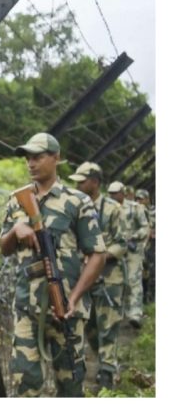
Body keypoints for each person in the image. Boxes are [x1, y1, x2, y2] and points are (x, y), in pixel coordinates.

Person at [0, 133, 106, 397]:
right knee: (25, 384)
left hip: (65, 309)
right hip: (27, 306)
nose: (31, 163)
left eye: (38, 157)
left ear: (56, 158)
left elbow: (97, 254)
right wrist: (16, 230)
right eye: (27, 158)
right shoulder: (16, 201)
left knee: (69, 386)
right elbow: (3, 247)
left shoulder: (77, 201)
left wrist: (75, 297)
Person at [68, 162, 127, 390]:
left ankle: (107, 375)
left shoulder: (113, 209)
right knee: (91, 328)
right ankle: (102, 362)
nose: (78, 184)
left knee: (109, 327)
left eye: (82, 180)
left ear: (94, 182)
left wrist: (99, 257)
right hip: (84, 280)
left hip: (109, 278)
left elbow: (122, 243)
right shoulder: (74, 208)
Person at [108, 181, 149, 329]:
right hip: (114, 250)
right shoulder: (107, 208)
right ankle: (119, 313)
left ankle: (135, 313)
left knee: (133, 279)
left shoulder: (135, 208)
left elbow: (145, 227)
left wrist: (134, 236)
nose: (113, 196)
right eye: (110, 193)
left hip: (132, 249)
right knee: (117, 280)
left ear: (122, 193)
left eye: (115, 193)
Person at [135, 189, 155, 303]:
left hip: (152, 247)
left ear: (147, 199)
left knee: (152, 273)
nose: (138, 201)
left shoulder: (154, 212)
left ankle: (151, 298)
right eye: (137, 199)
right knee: (142, 274)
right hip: (139, 247)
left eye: (141, 199)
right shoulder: (134, 211)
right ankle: (144, 298)